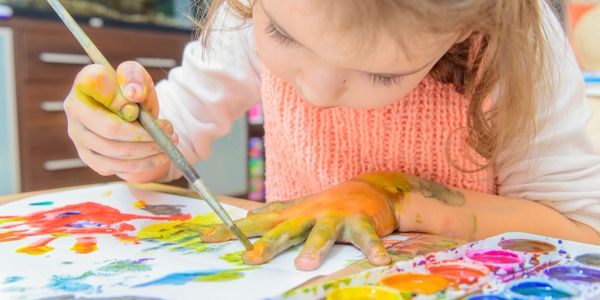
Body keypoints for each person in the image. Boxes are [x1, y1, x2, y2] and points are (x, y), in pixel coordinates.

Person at [63, 0, 600, 271]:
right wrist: (133, 138)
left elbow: (582, 235)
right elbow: (172, 144)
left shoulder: (514, 48)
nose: (316, 91)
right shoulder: (251, 11)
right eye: (281, 34)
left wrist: (397, 196)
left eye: (384, 74)